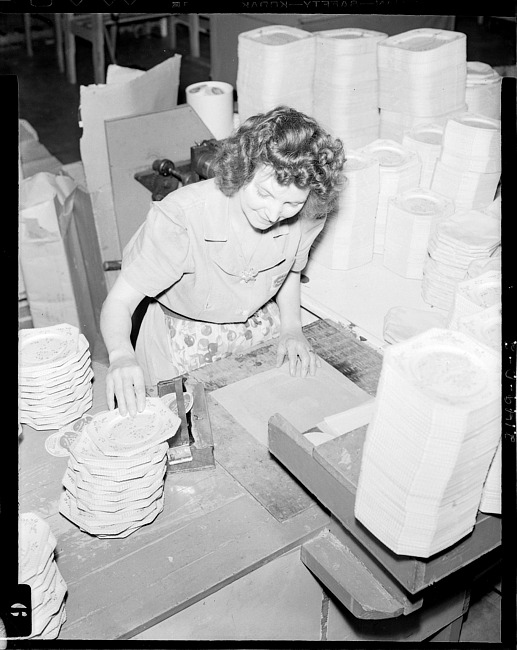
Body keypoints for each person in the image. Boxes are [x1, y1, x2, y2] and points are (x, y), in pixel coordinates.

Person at [100, 105, 345, 417]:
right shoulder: (182, 218)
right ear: (244, 170)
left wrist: (292, 327)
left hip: (254, 331)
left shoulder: (307, 215)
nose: (274, 214)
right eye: (265, 194)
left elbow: (290, 271)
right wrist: (121, 355)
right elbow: (119, 302)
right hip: (181, 339)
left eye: (291, 203)